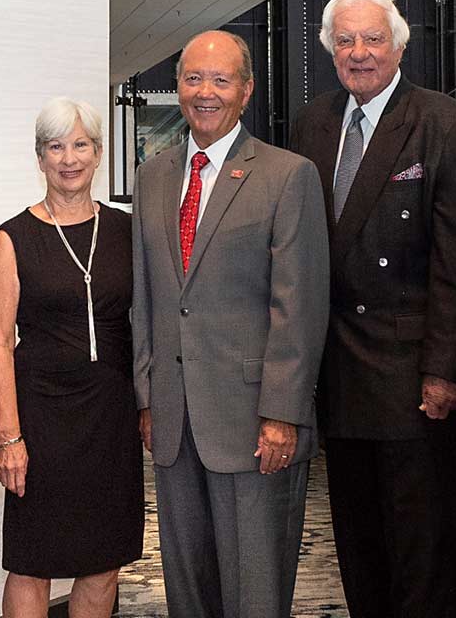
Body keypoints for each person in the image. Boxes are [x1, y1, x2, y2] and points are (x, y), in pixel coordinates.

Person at [290, 0, 456, 617]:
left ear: (399, 44)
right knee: (357, 547)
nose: (359, 52)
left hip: (410, 381)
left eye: (372, 38)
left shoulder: (445, 122)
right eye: (344, 40)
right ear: (329, 51)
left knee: (419, 554)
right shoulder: (313, 123)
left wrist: (445, 372)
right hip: (337, 376)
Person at [131, 30, 330, 618]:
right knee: (187, 587)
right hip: (173, 419)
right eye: (193, 79)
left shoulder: (287, 175)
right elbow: (147, 298)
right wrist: (146, 396)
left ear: (245, 91)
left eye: (220, 80)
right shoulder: (154, 176)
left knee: (255, 589)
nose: (205, 92)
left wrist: (282, 414)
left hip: (253, 422)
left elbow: (300, 308)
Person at [0, 97, 143, 618]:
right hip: (42, 421)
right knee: (33, 561)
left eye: (80, 145)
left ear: (98, 153)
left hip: (110, 420)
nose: (68, 158)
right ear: (40, 157)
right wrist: (9, 436)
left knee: (103, 560)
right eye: (56, 147)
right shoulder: (13, 237)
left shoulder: (126, 231)